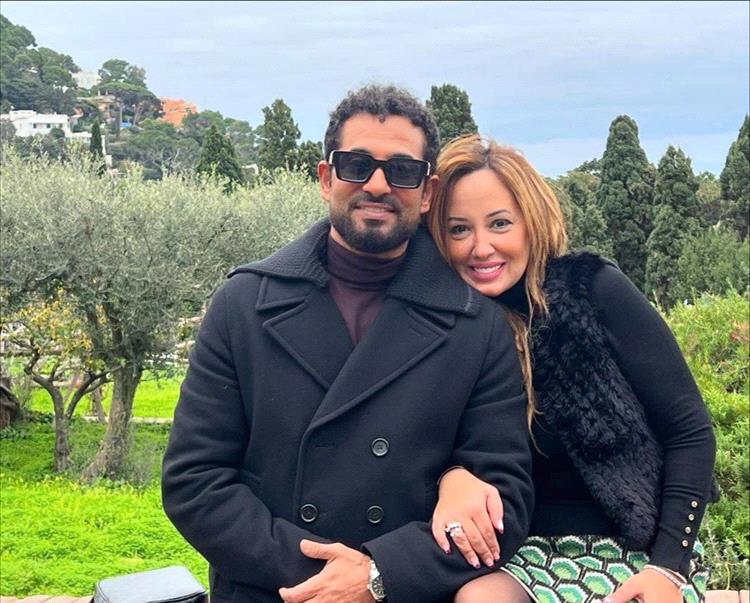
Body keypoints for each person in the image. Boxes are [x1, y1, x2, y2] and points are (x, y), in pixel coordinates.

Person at [162, 87, 534, 603]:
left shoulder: (476, 325)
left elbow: (506, 501)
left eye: (401, 170)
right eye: (357, 165)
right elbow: (195, 481)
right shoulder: (243, 305)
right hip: (275, 592)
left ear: (427, 192)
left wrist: (380, 575)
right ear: (326, 178)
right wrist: (325, 576)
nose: (377, 185)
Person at [425, 134, 717, 603]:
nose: (481, 247)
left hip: (634, 546)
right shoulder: (445, 327)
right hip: (513, 552)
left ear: (532, 221)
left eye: (500, 223)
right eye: (459, 229)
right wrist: (450, 476)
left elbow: (690, 431)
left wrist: (669, 567)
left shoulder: (592, 290)